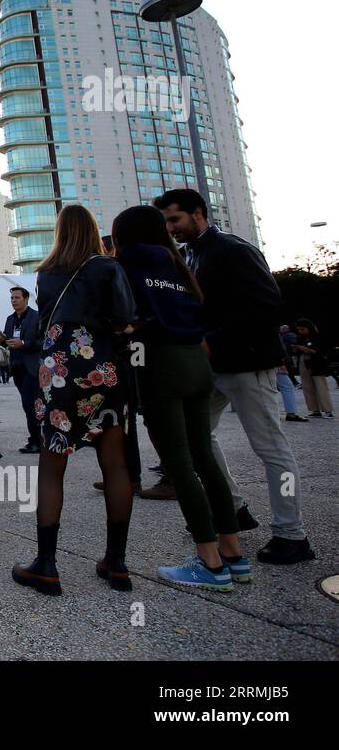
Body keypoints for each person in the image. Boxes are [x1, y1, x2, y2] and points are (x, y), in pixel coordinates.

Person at [157, 189, 314, 565]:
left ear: (199, 213)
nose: (171, 228)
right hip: (211, 367)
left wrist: (213, 341)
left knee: (272, 449)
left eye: (175, 219)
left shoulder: (232, 250)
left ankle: (292, 534)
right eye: (165, 222)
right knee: (198, 439)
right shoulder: (191, 254)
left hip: (247, 363)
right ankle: (233, 509)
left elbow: (267, 305)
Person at [113, 206, 248, 591]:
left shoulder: (124, 264)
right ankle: (233, 552)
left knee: (179, 463)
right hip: (196, 361)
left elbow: (120, 314)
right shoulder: (178, 263)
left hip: (160, 365)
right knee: (204, 455)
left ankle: (208, 561)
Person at [12, 205, 138, 596]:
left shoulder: (46, 273)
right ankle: (116, 563)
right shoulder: (108, 267)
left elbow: (50, 317)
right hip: (103, 366)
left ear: (60, 232)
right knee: (114, 463)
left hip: (58, 370)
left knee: (52, 464)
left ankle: (46, 565)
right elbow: (126, 319)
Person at [0, 286, 42, 454]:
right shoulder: (10, 319)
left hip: (32, 367)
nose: (14, 301)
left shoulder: (35, 317)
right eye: (12, 298)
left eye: (17, 298)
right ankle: (36, 439)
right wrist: (2, 340)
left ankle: (37, 440)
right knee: (27, 405)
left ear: (25, 299)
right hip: (16, 368)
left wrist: (24, 344)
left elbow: (43, 340)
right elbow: (9, 341)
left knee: (31, 404)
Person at [291, 319, 335, 419]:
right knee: (307, 387)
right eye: (298, 329)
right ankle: (315, 410)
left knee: (321, 387)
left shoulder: (317, 337)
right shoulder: (301, 338)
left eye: (302, 329)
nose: (300, 331)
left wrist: (303, 349)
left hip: (317, 363)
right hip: (304, 362)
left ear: (308, 328)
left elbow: (318, 351)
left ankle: (328, 410)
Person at [277, 325, 308, 423]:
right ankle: (291, 413)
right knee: (287, 386)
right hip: (274, 362)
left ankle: (283, 413)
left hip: (267, 362)